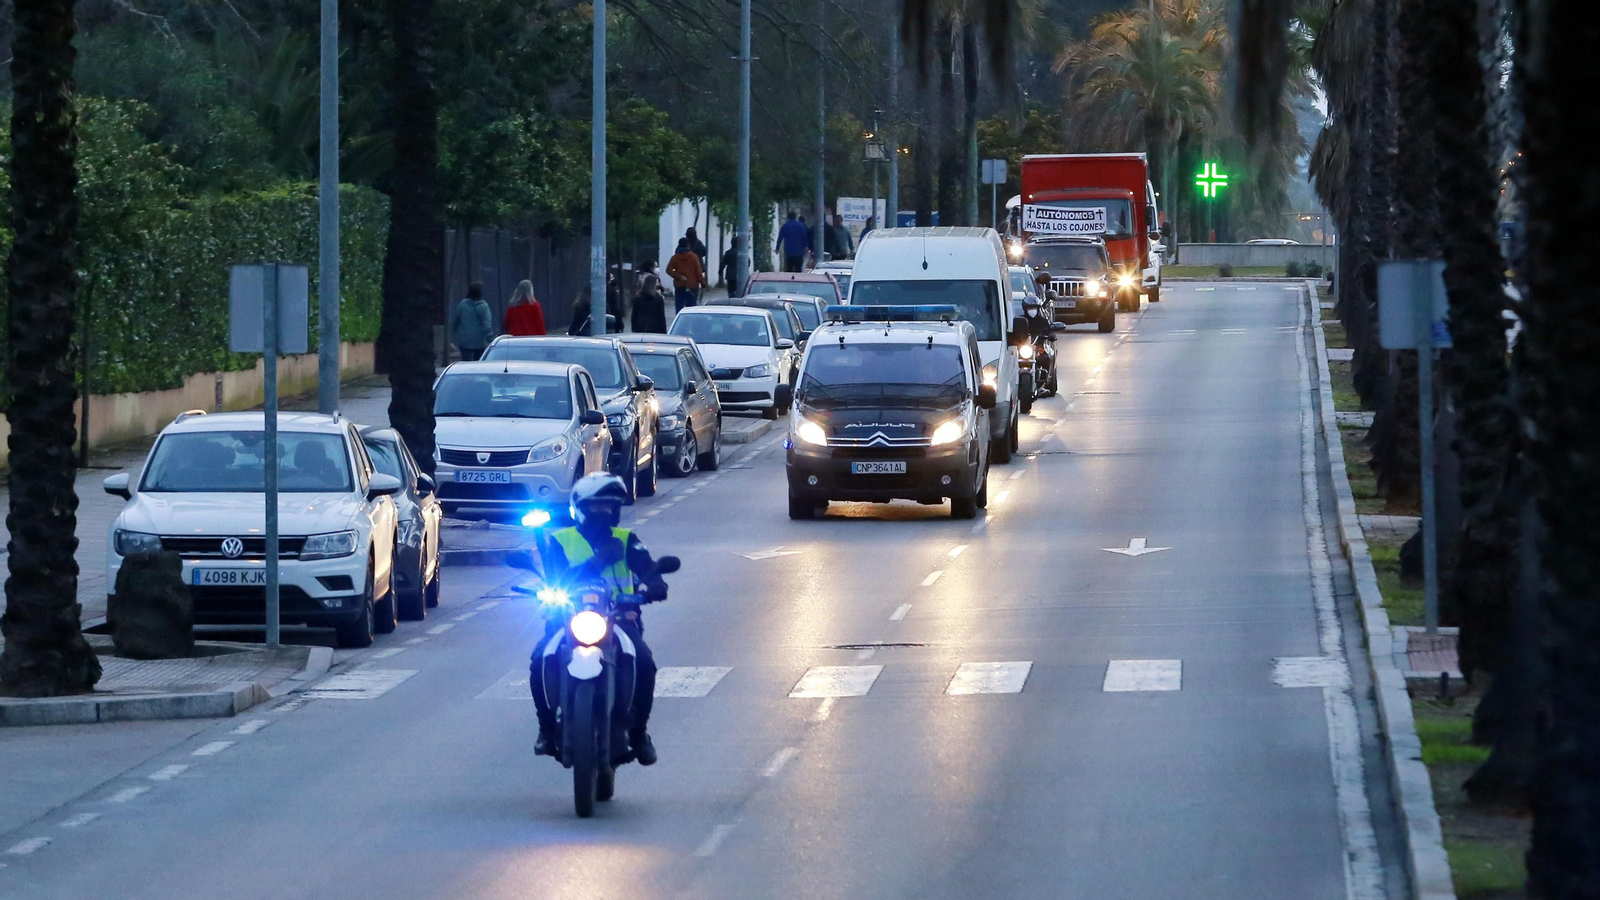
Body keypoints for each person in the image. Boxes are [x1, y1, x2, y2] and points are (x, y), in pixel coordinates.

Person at [530, 474, 668, 765]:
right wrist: (598, 561)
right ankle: (546, 728)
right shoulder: (560, 541)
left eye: (609, 506)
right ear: (580, 508)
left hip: (619, 618)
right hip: (567, 618)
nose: (603, 512)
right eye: (596, 506)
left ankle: (639, 734)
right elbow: (556, 578)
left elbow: (646, 567)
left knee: (645, 662)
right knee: (540, 658)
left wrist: (656, 585)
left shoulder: (627, 540)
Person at [449, 282, 493, 361]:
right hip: (479, 341)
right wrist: (490, 338)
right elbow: (487, 325)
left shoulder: (462, 304)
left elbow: (456, 320)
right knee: (479, 362)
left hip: (464, 340)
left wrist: (454, 331)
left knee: (465, 361)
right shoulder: (484, 306)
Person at [665, 238, 706, 312]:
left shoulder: (675, 257)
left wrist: (679, 276)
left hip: (679, 285)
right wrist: (702, 283)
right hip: (692, 285)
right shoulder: (693, 257)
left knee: (679, 305)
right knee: (691, 307)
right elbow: (698, 272)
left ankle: (680, 318)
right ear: (688, 245)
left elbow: (668, 270)